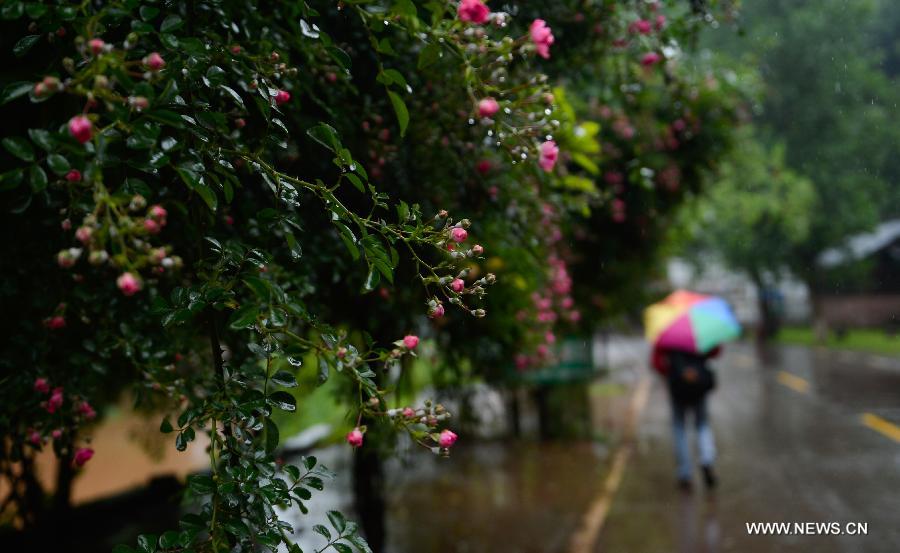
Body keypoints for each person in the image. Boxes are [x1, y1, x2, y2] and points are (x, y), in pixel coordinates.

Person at [651, 344, 720, 491]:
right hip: (698, 385)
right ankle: (706, 458)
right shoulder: (701, 327)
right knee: (702, 424)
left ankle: (685, 473)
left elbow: (656, 362)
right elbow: (715, 351)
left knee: (679, 427)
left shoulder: (668, 332)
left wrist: (671, 371)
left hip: (677, 386)